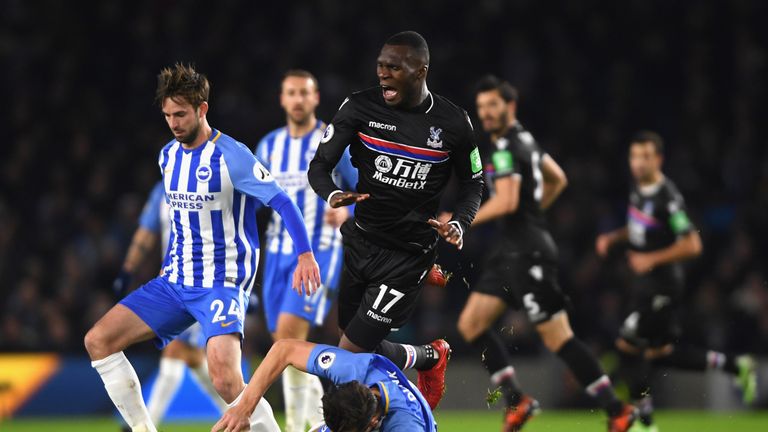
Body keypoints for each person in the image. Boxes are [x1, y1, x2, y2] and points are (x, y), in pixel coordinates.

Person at [84, 63, 321, 432]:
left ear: (202, 109)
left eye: (181, 114)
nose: (175, 123)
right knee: (98, 340)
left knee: (226, 379)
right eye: (168, 116)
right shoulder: (167, 156)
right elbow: (180, 223)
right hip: (175, 282)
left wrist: (305, 254)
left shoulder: (233, 156)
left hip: (221, 281)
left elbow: (283, 202)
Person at [307, 30, 484, 409]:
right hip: (361, 241)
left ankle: (379, 416)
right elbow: (319, 166)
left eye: (394, 67)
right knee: (351, 335)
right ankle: (427, 358)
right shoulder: (358, 107)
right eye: (380, 66)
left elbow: (474, 183)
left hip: (408, 255)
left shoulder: (454, 123)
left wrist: (460, 223)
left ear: (421, 70)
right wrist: (334, 194)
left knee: (346, 358)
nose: (383, 74)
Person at [456, 75, 636, 432]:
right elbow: (558, 178)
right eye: (481, 107)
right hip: (510, 251)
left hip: (528, 253)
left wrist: (461, 220)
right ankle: (516, 401)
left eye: (493, 105)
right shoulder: (524, 139)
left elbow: (506, 200)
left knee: (559, 338)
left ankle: (618, 410)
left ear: (511, 106)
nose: (486, 113)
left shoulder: (507, 145)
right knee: (471, 324)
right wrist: (534, 211)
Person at [595, 130, 757, 432]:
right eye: (634, 156)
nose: (639, 162)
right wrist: (613, 237)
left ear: (659, 159)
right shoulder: (638, 190)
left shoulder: (667, 196)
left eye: (646, 156)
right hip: (645, 286)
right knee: (661, 356)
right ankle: (735, 365)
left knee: (627, 345)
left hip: (663, 285)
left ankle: (643, 422)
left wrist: (650, 259)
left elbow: (692, 245)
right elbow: (639, 228)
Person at [254, 69, 357, 432]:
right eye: (291, 93)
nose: (298, 99)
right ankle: (315, 422)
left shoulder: (333, 142)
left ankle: (301, 426)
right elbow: (256, 202)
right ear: (282, 99)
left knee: (287, 339)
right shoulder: (268, 146)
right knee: (287, 348)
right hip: (277, 255)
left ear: (315, 99)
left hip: (320, 253)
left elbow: (364, 191)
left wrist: (347, 209)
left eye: (304, 93)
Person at [113, 181, 228, 430]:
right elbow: (146, 232)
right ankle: (239, 413)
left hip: (206, 281)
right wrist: (128, 268)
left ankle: (145, 423)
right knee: (191, 356)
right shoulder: (161, 191)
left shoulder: (216, 182)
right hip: (173, 283)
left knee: (178, 350)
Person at [211, 339, 436, 432]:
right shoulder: (353, 369)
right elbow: (284, 349)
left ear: (373, 422)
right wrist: (244, 409)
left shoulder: (406, 426)